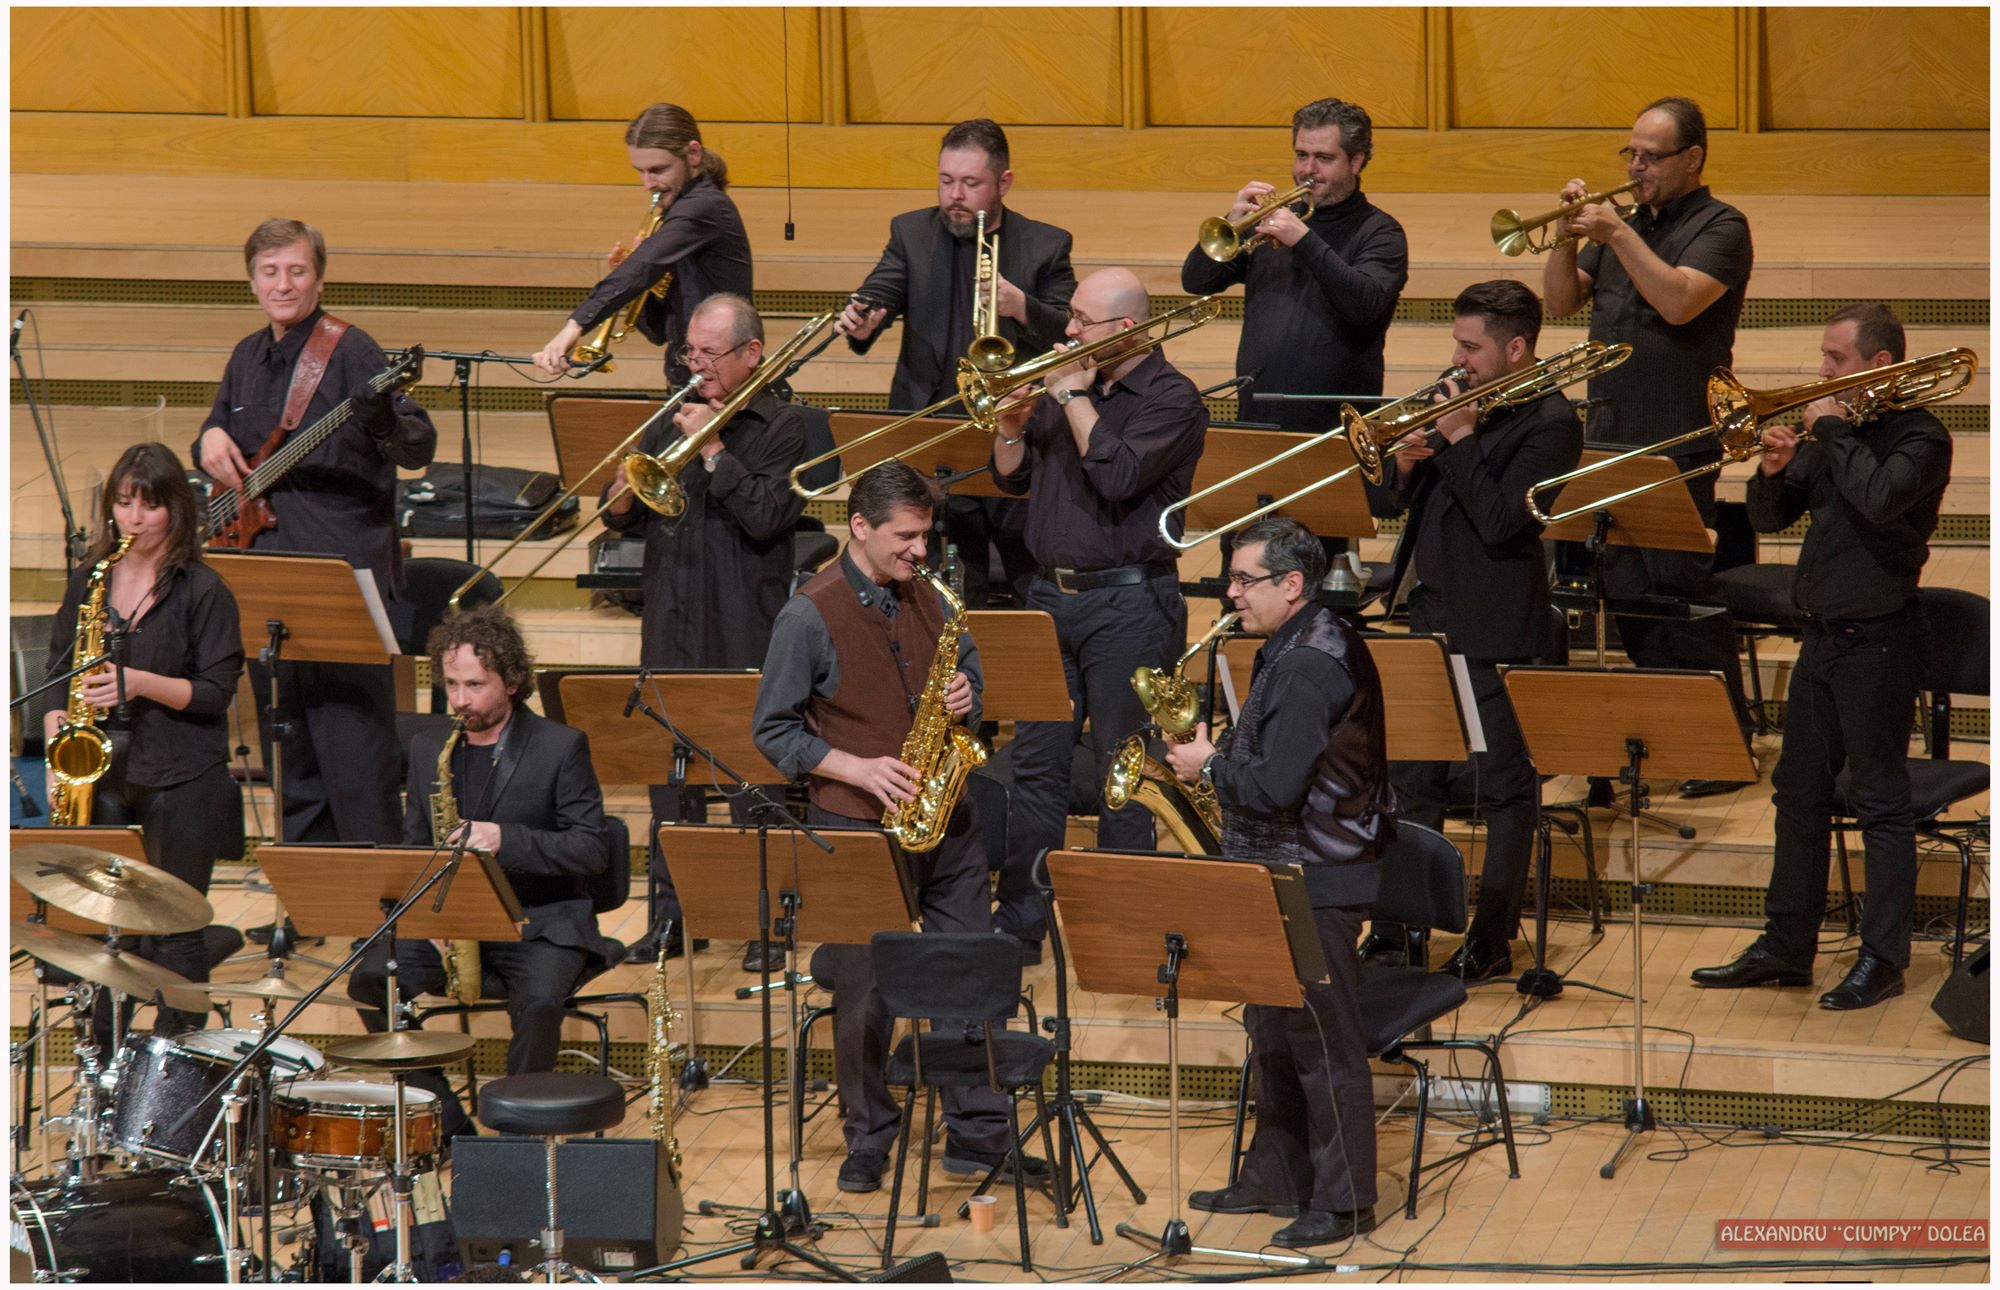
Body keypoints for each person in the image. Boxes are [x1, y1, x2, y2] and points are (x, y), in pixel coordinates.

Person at [752, 462, 1038, 1194]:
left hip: (948, 817)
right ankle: (869, 1135)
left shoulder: (933, 597)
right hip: (855, 825)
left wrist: (969, 694)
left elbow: (971, 681)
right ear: (860, 528)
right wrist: (856, 766)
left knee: (968, 973)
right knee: (864, 992)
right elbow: (774, 732)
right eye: (906, 536)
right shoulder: (807, 613)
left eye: (926, 534)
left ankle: (977, 1135)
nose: (921, 549)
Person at [1692, 304, 1952, 1011]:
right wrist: (1774, 471)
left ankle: (1882, 958)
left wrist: (1830, 427)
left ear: (1876, 364)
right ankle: (1786, 946)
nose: (1821, 372)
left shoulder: (1920, 437)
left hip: (1879, 644)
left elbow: (1878, 499)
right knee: (1797, 794)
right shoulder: (1841, 433)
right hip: (1821, 640)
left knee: (1879, 801)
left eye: (1835, 360)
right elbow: (1774, 516)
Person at [1163, 517, 1389, 1247]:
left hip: (1314, 873)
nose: (1230, 594)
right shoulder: (1290, 644)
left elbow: (1277, 785)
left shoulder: (1306, 663)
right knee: (1271, 1029)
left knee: (1323, 1043)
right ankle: (1277, 1174)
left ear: (1293, 585)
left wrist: (1208, 765)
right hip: (1280, 868)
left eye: (1243, 580)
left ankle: (1346, 1201)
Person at [1364, 281, 1584, 981]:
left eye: (1470, 346)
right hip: (1427, 615)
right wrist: (1400, 467)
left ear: (1516, 347)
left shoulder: (1552, 423)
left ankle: (1489, 942)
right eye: (1456, 342)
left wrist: (1457, 442)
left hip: (1494, 627)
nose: (1455, 358)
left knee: (1506, 790)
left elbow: (1499, 520)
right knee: (1411, 779)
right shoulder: (1461, 398)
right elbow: (1404, 499)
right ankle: (1399, 933)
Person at [986, 267, 1206, 961]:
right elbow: (1010, 476)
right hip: (1050, 598)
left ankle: (1120, 932)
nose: (1068, 331)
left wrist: (1074, 396)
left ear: (1126, 328)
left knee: (1124, 771)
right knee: (1039, 766)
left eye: (1081, 320)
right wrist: (1012, 426)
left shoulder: (1172, 399)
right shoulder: (1065, 384)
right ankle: (1021, 921)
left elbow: (1114, 476)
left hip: (1131, 603)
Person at [194, 218, 436, 847]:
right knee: (290, 747)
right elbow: (218, 431)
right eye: (270, 272)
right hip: (261, 564)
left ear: (319, 277)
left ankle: (377, 912)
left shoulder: (353, 350)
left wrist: (381, 412)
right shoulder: (247, 355)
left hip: (338, 570)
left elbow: (417, 447)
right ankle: (309, 899)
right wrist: (208, 439)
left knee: (355, 749)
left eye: (296, 270)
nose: (284, 284)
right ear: (251, 282)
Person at [1543, 95, 1757, 792]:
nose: (1636, 167)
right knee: (1626, 589)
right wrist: (1568, 236)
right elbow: (1557, 304)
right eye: (1630, 153)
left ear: (1692, 158)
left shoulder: (1721, 226)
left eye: (1650, 156)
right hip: (1609, 434)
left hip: (1678, 438)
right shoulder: (1625, 226)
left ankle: (1727, 744)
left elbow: (1676, 300)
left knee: (1678, 592)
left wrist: (1615, 234)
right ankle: (1673, 735)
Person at [349, 606, 617, 1142]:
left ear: (513, 681)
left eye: (474, 684)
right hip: (455, 921)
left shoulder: (560, 747)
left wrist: (506, 838)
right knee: (370, 978)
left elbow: (591, 850)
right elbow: (414, 845)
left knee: (540, 1002)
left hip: (538, 919)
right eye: (450, 684)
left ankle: (516, 1140)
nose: (459, 700)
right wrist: (422, 916)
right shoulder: (430, 749)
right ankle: (450, 1125)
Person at [604, 292, 808, 968]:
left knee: (753, 782)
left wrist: (716, 448)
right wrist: (619, 492)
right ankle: (671, 919)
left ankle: (765, 925)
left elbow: (768, 518)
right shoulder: (671, 417)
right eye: (689, 351)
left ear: (752, 354)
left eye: (709, 353)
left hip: (743, 628)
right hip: (670, 625)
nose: (695, 365)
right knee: (672, 786)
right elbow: (627, 519)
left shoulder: (785, 426)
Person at [44, 443, 245, 1035]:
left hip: (182, 772)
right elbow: (59, 669)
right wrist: (58, 736)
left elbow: (213, 693)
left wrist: (138, 683)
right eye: (124, 503)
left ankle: (174, 1078)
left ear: (176, 512)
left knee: (177, 932)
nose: (133, 518)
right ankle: (103, 1073)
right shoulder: (91, 578)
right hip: (100, 771)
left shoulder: (204, 590)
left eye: (149, 506)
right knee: (100, 933)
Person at [838, 118, 1077, 608]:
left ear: (1003, 183)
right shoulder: (910, 232)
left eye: (971, 184)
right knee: (941, 581)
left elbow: (1072, 329)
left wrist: (1023, 306)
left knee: (1025, 572)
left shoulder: (1046, 244)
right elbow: (881, 290)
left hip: (1012, 431)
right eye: (946, 180)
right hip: (933, 430)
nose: (955, 196)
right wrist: (864, 320)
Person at [1182, 97, 1409, 433]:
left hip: (1334, 420)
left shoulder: (1381, 232)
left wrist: (1304, 240)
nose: (1307, 170)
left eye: (1324, 158)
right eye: (1302, 155)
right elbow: (1196, 281)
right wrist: (1233, 222)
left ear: (1356, 161)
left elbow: (1362, 305)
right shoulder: (1276, 222)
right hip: (1257, 408)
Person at [534, 103, 754, 386]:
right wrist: (642, 285)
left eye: (658, 170)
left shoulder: (705, 207)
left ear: (693, 154)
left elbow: (645, 266)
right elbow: (660, 332)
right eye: (640, 171)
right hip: (687, 377)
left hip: (723, 383)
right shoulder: (677, 212)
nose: (647, 183)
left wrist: (575, 325)